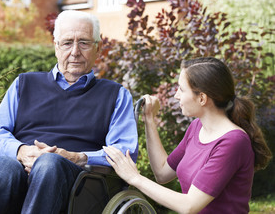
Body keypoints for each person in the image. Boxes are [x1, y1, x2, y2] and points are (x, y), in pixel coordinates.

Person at [0, 10, 138, 214]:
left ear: (97, 48)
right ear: (56, 47)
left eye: (84, 43)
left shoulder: (116, 95)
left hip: (81, 186)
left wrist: (78, 157)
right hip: (17, 174)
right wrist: (21, 152)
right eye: (67, 43)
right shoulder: (24, 84)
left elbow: (125, 152)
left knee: (49, 163)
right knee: (5, 165)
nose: (75, 52)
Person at [104, 57, 272, 213]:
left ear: (202, 99)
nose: (177, 95)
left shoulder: (233, 142)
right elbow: (162, 173)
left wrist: (135, 178)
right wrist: (149, 119)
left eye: (182, 89)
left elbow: (189, 205)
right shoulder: (197, 127)